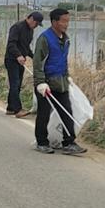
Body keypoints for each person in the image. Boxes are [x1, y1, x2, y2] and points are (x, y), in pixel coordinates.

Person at [32, 8, 87, 155]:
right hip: (46, 84)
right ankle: (42, 142)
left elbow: (63, 61)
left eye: (68, 21)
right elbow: (38, 63)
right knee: (43, 114)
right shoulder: (44, 39)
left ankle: (69, 142)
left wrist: (67, 76)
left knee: (66, 111)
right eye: (64, 21)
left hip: (61, 82)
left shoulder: (66, 39)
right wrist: (40, 82)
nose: (66, 24)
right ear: (54, 21)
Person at [4, 11, 44, 118]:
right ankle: (18, 110)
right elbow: (11, 44)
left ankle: (10, 108)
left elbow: (25, 47)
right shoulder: (17, 27)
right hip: (12, 60)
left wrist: (34, 57)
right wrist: (18, 55)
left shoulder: (30, 31)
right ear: (31, 19)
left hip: (20, 62)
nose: (36, 26)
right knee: (15, 83)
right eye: (36, 23)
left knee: (17, 85)